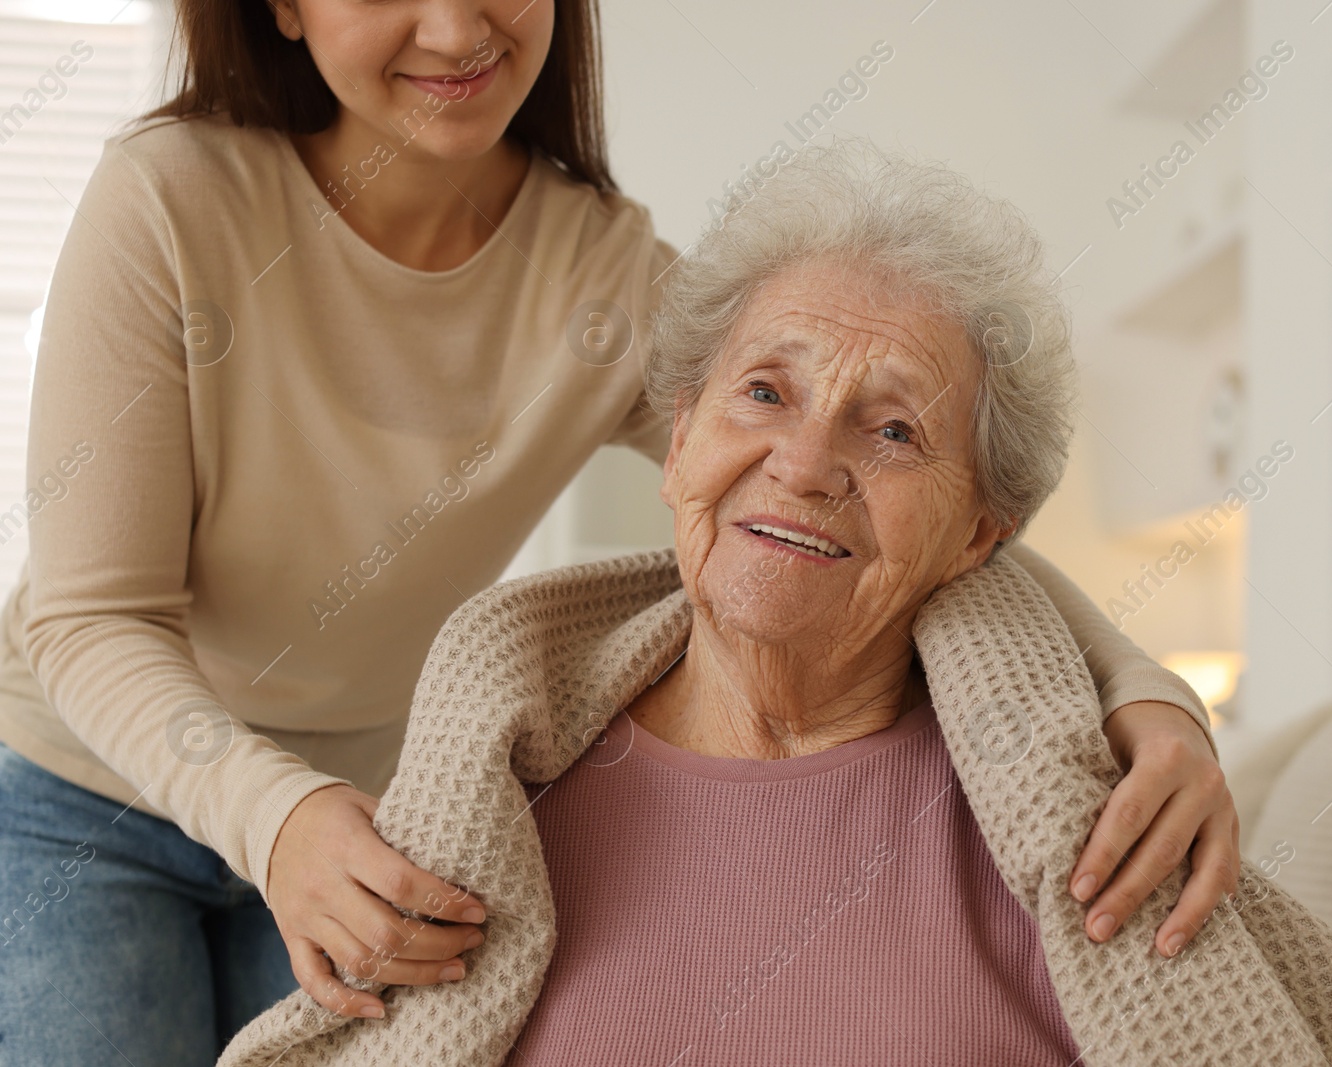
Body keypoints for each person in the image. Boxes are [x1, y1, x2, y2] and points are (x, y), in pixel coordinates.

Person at [0, 3, 1233, 1064]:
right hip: (85, 793)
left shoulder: (598, 276)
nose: (454, 27)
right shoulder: (170, 201)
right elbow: (87, 614)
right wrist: (273, 816)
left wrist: (1147, 693)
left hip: (369, 816)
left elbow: (881, 503)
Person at [219, 138, 1332, 1067]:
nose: (804, 461)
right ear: (679, 435)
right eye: (763, 391)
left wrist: (1149, 689)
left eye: (896, 425)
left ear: (979, 533)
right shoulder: (502, 786)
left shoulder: (1076, 831)